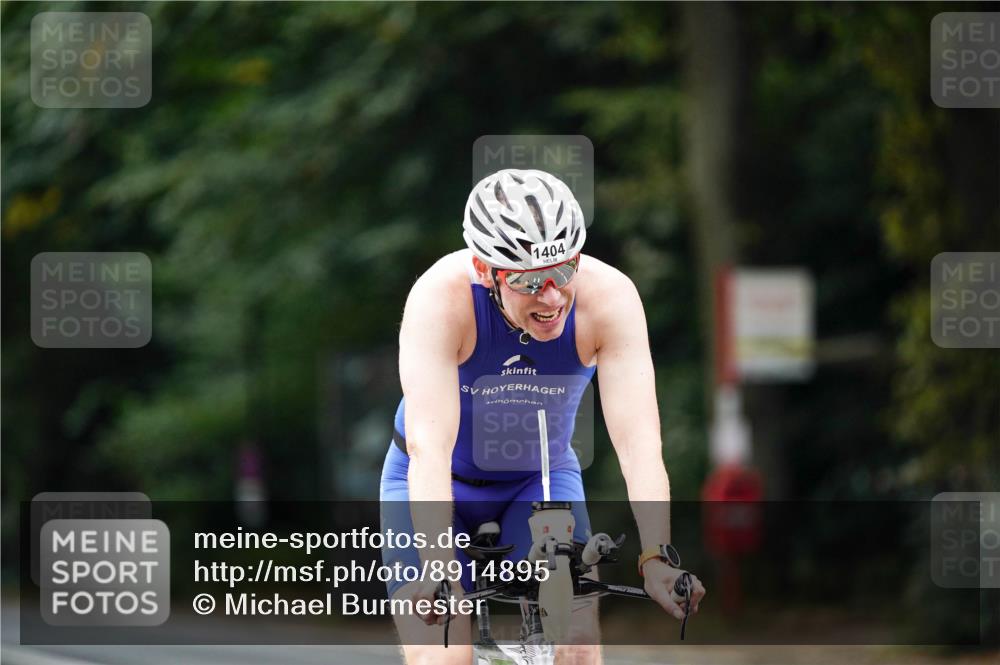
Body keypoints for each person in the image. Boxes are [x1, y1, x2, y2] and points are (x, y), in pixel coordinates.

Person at [379, 168, 706, 665]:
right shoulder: (440, 299)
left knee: (576, 645)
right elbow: (430, 448)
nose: (552, 296)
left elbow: (639, 443)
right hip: (428, 479)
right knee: (445, 654)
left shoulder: (609, 299)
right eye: (530, 280)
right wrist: (437, 564)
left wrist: (656, 557)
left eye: (563, 271)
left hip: (539, 481)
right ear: (486, 270)